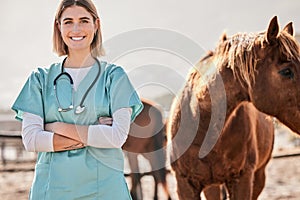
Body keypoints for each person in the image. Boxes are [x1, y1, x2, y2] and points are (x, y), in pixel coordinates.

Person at [11, 0, 143, 199]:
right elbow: (32, 140)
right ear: (58, 26)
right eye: (68, 22)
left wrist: (54, 127)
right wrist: (94, 134)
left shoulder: (114, 77)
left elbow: (116, 137)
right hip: (52, 188)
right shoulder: (39, 79)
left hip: (105, 189)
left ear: (95, 24)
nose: (76, 28)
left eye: (83, 20)